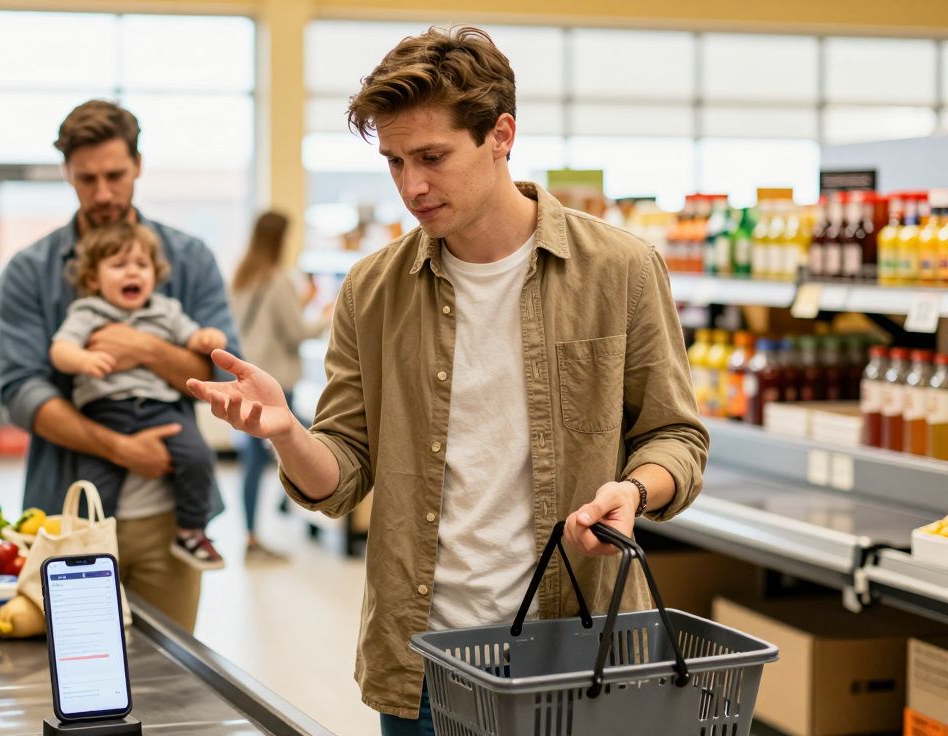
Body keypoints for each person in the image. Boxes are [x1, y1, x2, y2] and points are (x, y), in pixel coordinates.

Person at [188, 26, 708, 735]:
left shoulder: (618, 269)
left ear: (501, 135)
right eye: (395, 162)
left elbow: (675, 434)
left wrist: (634, 489)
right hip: (426, 667)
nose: (412, 186)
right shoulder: (372, 290)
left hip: (577, 655)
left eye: (432, 156)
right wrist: (287, 434)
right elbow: (340, 476)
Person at [0, 99, 240, 632]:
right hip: (70, 514)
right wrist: (120, 449)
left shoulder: (189, 258)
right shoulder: (29, 272)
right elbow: (21, 392)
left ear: (138, 166)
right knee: (77, 675)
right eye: (87, 179)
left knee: (173, 678)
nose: (103, 193)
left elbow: (224, 375)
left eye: (115, 175)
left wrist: (142, 348)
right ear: (67, 173)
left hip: (169, 517)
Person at [50, 221, 228, 570]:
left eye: (142, 265)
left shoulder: (166, 310)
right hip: (105, 411)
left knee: (198, 457)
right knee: (95, 482)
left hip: (161, 409)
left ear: (155, 273)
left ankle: (190, 530)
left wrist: (207, 338)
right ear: (93, 279)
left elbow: (194, 338)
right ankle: (91, 546)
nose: (132, 272)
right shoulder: (88, 312)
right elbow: (60, 349)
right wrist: (83, 359)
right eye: (118, 265)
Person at [229, 211, 329, 559]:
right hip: (273, 381)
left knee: (254, 459)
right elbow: (297, 333)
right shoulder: (277, 278)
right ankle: (258, 537)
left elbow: (261, 326)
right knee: (287, 450)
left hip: (248, 377)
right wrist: (328, 313)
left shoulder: (244, 276)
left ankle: (256, 530)